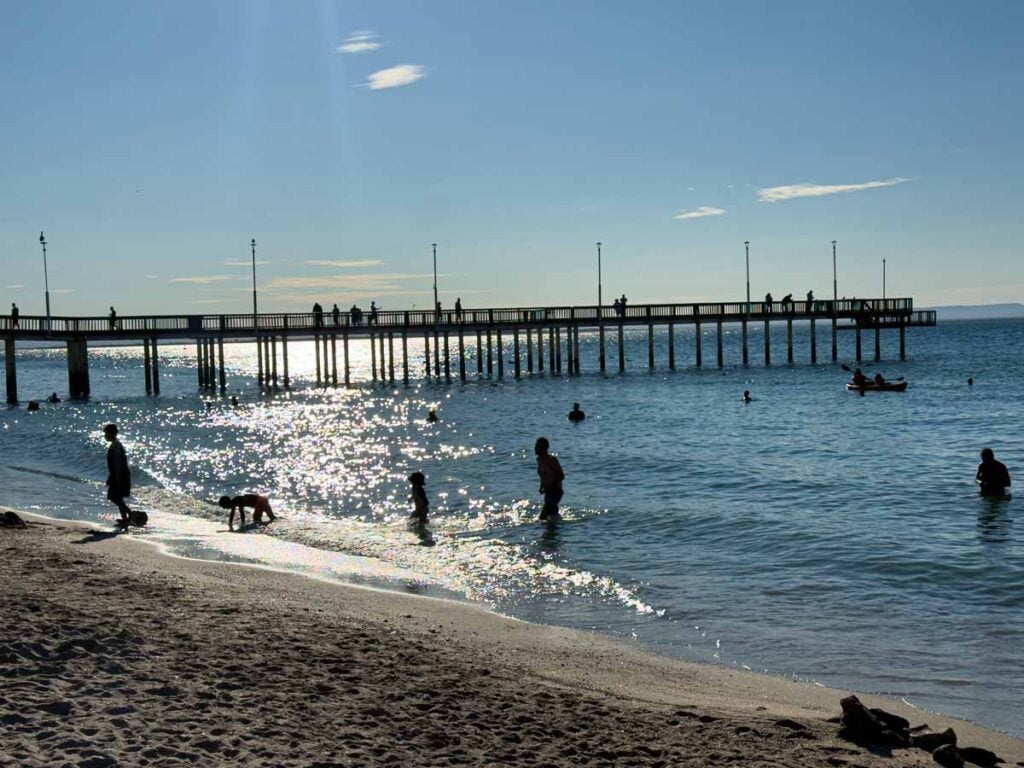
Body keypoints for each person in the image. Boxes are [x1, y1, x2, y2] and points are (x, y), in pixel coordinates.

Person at [103, 424, 134, 530]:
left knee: (114, 496)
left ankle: (128, 516)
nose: (105, 436)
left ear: (112, 433)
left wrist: (116, 478)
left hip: (120, 475)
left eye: (106, 433)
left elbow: (117, 465)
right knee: (117, 497)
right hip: (119, 474)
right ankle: (126, 518)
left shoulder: (116, 446)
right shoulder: (115, 444)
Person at [535, 437, 564, 521]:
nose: (535, 448)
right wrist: (541, 487)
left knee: (549, 515)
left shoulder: (551, 460)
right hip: (548, 492)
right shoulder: (539, 460)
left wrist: (552, 487)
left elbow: (561, 475)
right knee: (544, 518)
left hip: (555, 492)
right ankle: (555, 530)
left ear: (544, 448)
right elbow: (543, 476)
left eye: (537, 446)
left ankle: (558, 529)